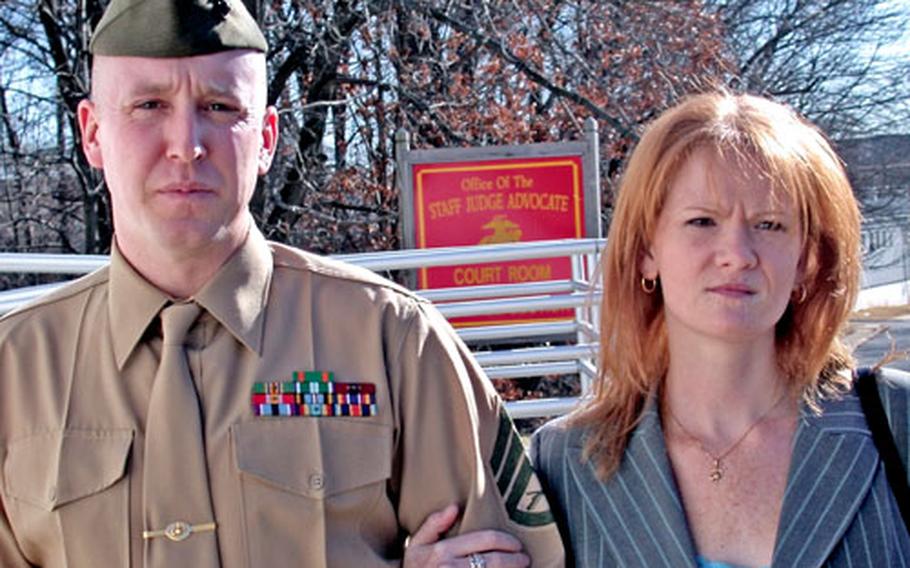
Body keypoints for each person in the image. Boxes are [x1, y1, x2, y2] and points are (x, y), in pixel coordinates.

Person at [0, 1, 565, 566]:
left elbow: (509, 555)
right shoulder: (16, 370)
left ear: (267, 137)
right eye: (149, 105)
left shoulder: (394, 342)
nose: (186, 144)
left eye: (219, 107)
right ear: (93, 133)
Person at [531, 92, 910, 567]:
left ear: (806, 261)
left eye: (769, 224)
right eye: (702, 221)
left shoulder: (897, 423)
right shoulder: (565, 463)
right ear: (648, 249)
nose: (737, 253)